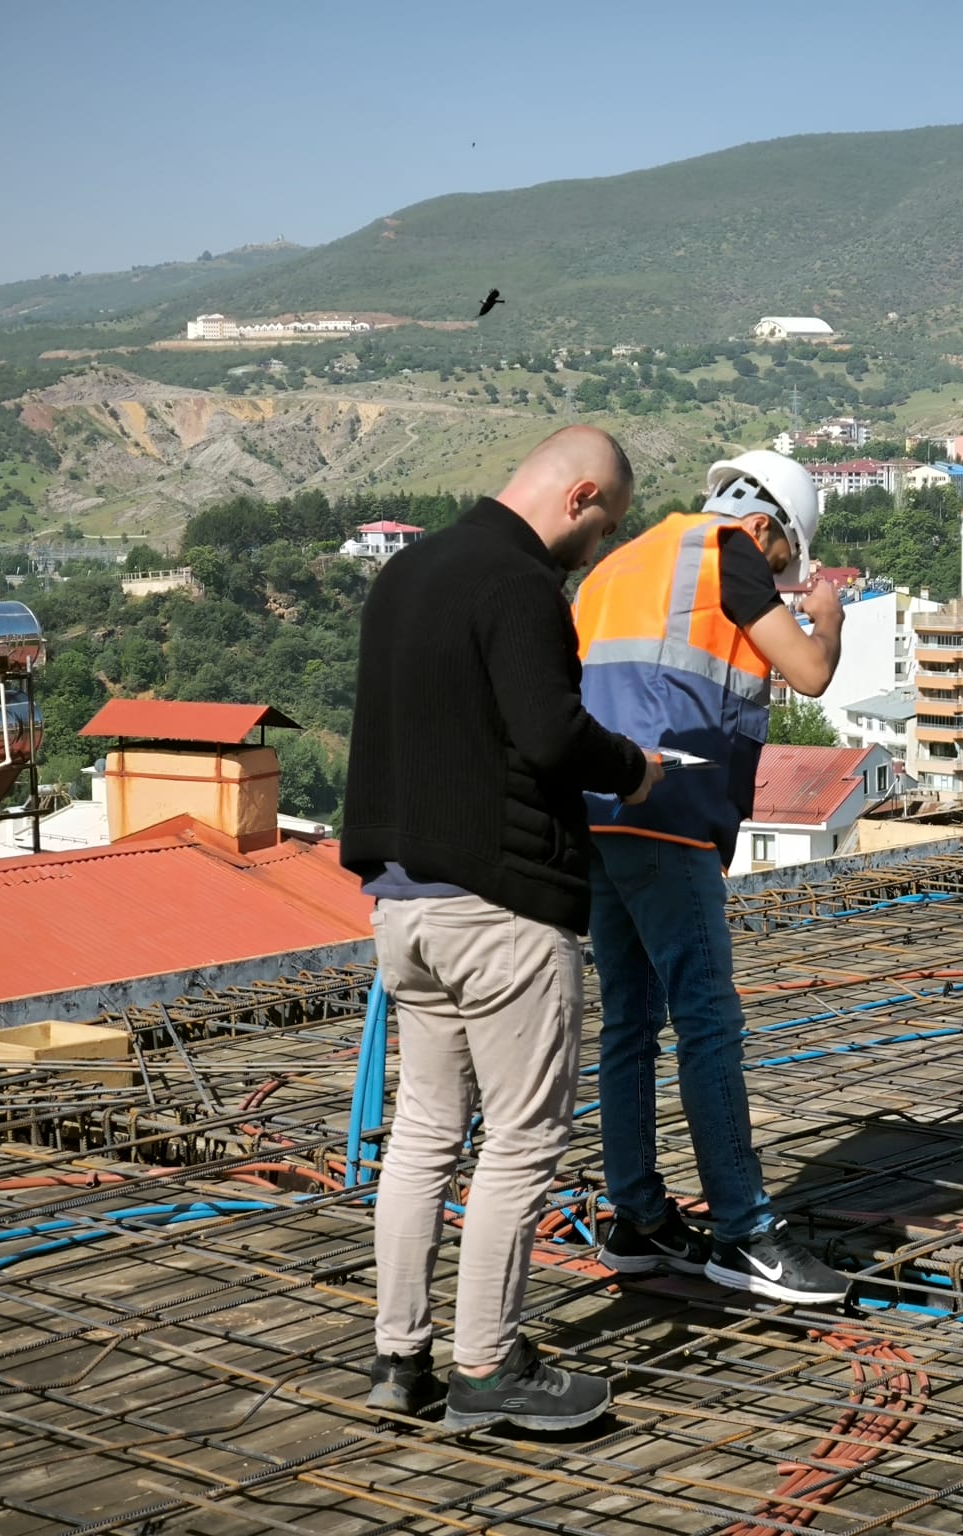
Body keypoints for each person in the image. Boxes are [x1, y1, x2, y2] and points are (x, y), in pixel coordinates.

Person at [342, 426, 664, 1432]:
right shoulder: (517, 583)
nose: (593, 550)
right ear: (576, 497)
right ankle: (486, 1367)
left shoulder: (408, 571)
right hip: (503, 912)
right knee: (521, 1139)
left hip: (405, 910)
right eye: (600, 527)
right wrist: (633, 767)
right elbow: (549, 733)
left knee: (425, 1137)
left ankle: (400, 1360)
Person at [572, 450, 851, 1304]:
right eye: (782, 562)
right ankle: (744, 1232)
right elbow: (809, 671)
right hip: (673, 810)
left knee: (628, 1022)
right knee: (706, 1023)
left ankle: (639, 1218)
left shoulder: (622, 561)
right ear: (763, 525)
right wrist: (828, 616)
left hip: (595, 810)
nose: (776, 579)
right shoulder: (725, 550)